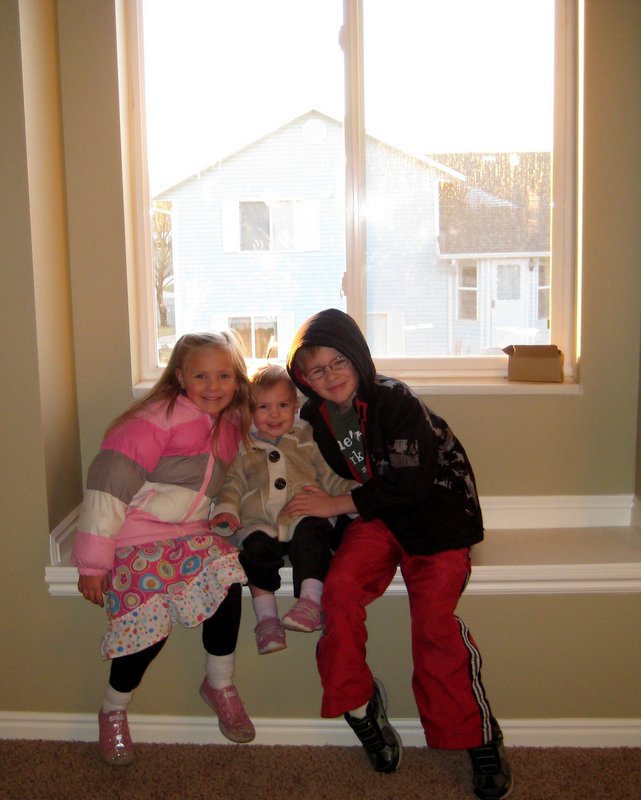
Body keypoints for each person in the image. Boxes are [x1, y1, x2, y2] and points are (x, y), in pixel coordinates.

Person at [284, 309, 513, 800]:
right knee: (338, 592)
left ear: (358, 357)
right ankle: (360, 706)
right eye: (316, 370)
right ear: (302, 378)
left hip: (436, 514)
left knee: (433, 621)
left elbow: (410, 483)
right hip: (377, 516)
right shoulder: (313, 417)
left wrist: (336, 505)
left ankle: (476, 731)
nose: (330, 376)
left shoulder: (394, 398)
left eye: (339, 361)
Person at [72, 332, 256, 766]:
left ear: (237, 380)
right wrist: (93, 564)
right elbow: (108, 487)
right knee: (145, 628)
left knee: (227, 577)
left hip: (190, 533)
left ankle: (219, 683)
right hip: (138, 533)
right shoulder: (155, 418)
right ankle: (113, 708)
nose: (213, 385)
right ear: (179, 377)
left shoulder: (231, 423)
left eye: (224, 375)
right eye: (201, 376)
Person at [210, 364, 357, 655]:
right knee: (254, 552)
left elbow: (328, 473)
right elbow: (233, 482)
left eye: (283, 405)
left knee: (314, 538)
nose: (274, 414)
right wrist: (227, 510)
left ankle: (310, 602)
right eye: (263, 407)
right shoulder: (243, 443)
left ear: (296, 406)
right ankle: (267, 620)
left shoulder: (305, 435)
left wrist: (352, 495)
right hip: (260, 520)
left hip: (303, 512)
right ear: (249, 411)